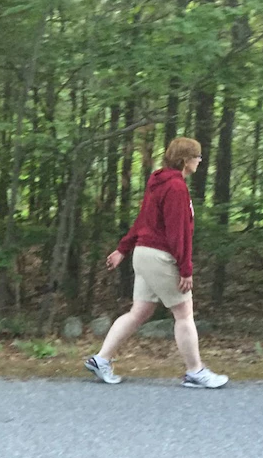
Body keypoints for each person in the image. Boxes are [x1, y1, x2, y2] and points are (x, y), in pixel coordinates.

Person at [84, 136, 229, 388]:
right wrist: (186, 269)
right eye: (197, 156)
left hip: (143, 254)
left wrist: (123, 249)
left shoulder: (158, 182)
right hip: (160, 256)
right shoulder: (175, 187)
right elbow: (178, 232)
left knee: (140, 311)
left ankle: (101, 359)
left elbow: (142, 221)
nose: (199, 161)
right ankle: (195, 371)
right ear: (185, 160)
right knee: (184, 314)